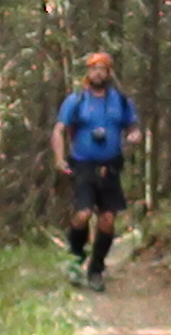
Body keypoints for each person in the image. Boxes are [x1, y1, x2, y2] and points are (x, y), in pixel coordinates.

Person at [52, 51, 141, 291]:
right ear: (88, 73)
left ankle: (96, 269)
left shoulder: (121, 101)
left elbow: (133, 127)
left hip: (111, 165)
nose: (98, 73)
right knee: (82, 214)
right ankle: (75, 256)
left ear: (109, 73)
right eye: (94, 69)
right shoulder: (76, 100)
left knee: (108, 219)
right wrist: (59, 159)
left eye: (102, 69)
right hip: (83, 164)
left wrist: (134, 136)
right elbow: (59, 129)